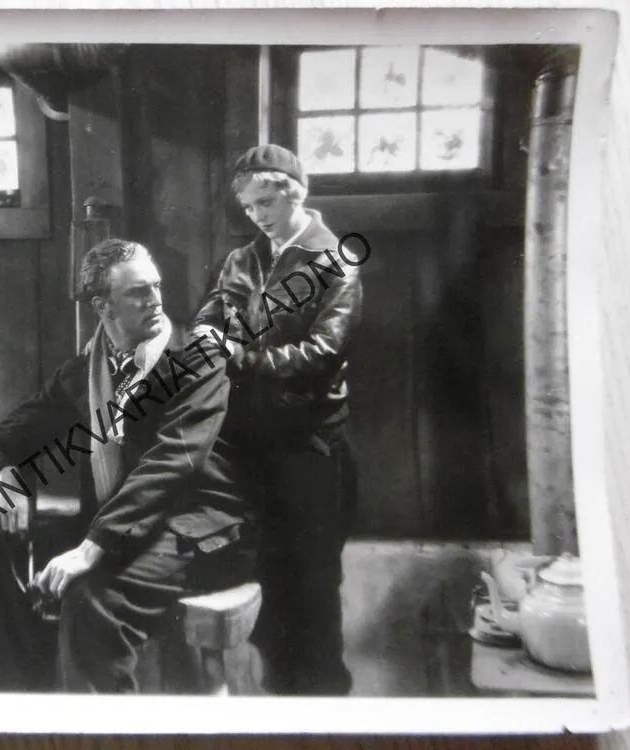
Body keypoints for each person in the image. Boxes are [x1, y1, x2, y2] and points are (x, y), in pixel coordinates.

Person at [0, 238, 258, 694]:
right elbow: (4, 437)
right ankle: (18, 720)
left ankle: (100, 729)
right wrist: (4, 477)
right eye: (138, 292)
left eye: (157, 287)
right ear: (102, 306)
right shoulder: (84, 374)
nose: (156, 300)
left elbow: (170, 465)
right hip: (124, 531)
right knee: (10, 570)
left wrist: (91, 549)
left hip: (196, 532)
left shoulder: (198, 361)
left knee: (92, 599)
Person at [192, 144, 364, 696]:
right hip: (248, 443)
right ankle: (278, 700)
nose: (257, 215)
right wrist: (206, 332)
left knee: (313, 583)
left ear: (295, 194)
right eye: (248, 207)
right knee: (266, 577)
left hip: (309, 443)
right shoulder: (242, 260)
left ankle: (324, 701)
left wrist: (241, 358)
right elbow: (211, 313)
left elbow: (323, 353)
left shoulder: (334, 260)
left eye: (265, 202)